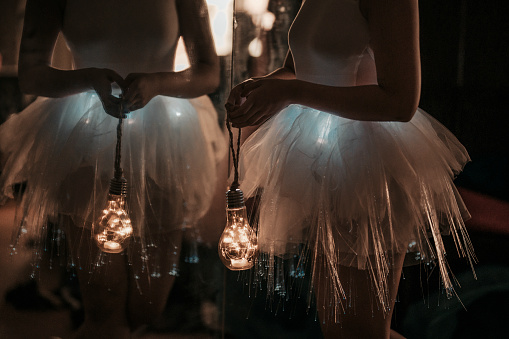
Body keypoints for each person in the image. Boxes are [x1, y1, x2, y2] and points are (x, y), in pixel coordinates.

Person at [226, 0, 475, 338]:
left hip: (368, 168)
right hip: (322, 159)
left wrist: (291, 92)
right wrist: (262, 85)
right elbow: (299, 67)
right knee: (342, 330)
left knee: (362, 332)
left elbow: (401, 102)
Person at [0, 0, 226, 338]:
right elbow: (31, 74)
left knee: (149, 305)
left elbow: (208, 70)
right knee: (104, 306)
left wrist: (157, 82)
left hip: (164, 134)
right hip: (85, 135)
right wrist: (88, 77)